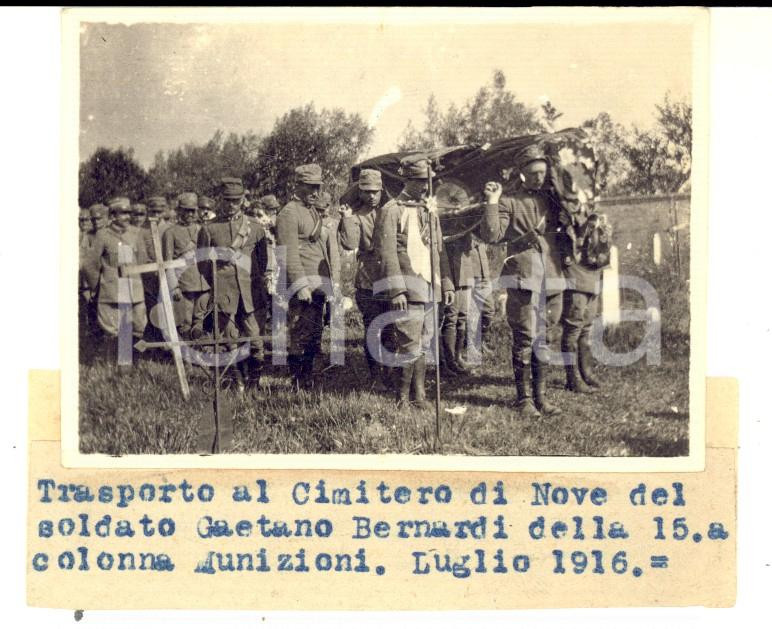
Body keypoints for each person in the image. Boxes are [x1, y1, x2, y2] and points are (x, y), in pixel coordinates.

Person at [480, 146, 567, 417]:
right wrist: (493, 201)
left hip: (552, 277)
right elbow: (492, 234)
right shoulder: (509, 201)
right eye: (533, 173)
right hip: (523, 277)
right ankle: (524, 399)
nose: (539, 178)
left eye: (543, 172)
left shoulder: (553, 199)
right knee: (525, 337)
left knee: (546, 337)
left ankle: (541, 397)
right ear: (522, 173)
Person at [374, 156, 454, 409]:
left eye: (428, 181)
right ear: (407, 179)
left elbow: (439, 250)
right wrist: (397, 290)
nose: (425, 187)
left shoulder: (429, 209)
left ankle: (419, 395)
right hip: (408, 288)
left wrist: (447, 283)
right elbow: (387, 253)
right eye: (420, 181)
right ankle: (402, 397)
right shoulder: (392, 210)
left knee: (425, 340)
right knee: (408, 341)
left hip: (430, 287)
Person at [197, 177, 271, 390]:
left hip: (250, 294)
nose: (231, 205)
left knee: (256, 341)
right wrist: (218, 285)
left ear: (243, 200)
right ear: (221, 199)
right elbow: (202, 264)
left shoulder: (255, 228)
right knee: (230, 341)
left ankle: (254, 385)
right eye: (227, 200)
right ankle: (237, 382)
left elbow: (262, 261)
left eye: (236, 200)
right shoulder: (210, 229)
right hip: (224, 294)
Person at [275, 164, 336, 390]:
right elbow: (288, 252)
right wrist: (301, 285)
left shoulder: (310, 211)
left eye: (318, 187)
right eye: (310, 187)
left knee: (313, 333)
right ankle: (298, 382)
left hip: (317, 283)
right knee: (299, 334)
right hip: (301, 286)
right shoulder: (289, 213)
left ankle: (308, 378)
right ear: (298, 185)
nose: (315, 192)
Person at [338, 168, 393, 390]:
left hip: (389, 278)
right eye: (366, 191)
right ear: (359, 192)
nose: (372, 196)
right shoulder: (355, 216)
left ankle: (389, 374)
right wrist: (348, 218)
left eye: (376, 191)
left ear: (382, 191)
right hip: (368, 281)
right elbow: (350, 244)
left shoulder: (390, 211)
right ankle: (375, 376)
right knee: (373, 330)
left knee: (391, 329)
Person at [83, 196, 149, 368]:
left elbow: (142, 261)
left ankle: (132, 364)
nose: (128, 216)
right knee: (112, 330)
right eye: (123, 213)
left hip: (133, 290)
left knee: (137, 327)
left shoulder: (135, 234)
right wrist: (96, 287)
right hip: (111, 291)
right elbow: (91, 265)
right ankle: (112, 366)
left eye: (129, 213)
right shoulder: (103, 235)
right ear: (113, 216)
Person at [441, 229, 495, 376]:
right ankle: (449, 361)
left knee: (462, 316)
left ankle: (457, 357)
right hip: (451, 267)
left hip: (465, 268)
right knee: (451, 316)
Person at [162, 192, 210, 341]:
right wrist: (173, 286)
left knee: (200, 321)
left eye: (193, 210)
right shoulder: (170, 232)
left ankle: (199, 356)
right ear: (179, 211)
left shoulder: (203, 229)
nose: (190, 214)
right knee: (185, 323)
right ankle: (186, 359)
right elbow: (167, 262)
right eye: (186, 210)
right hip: (184, 285)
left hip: (203, 283)